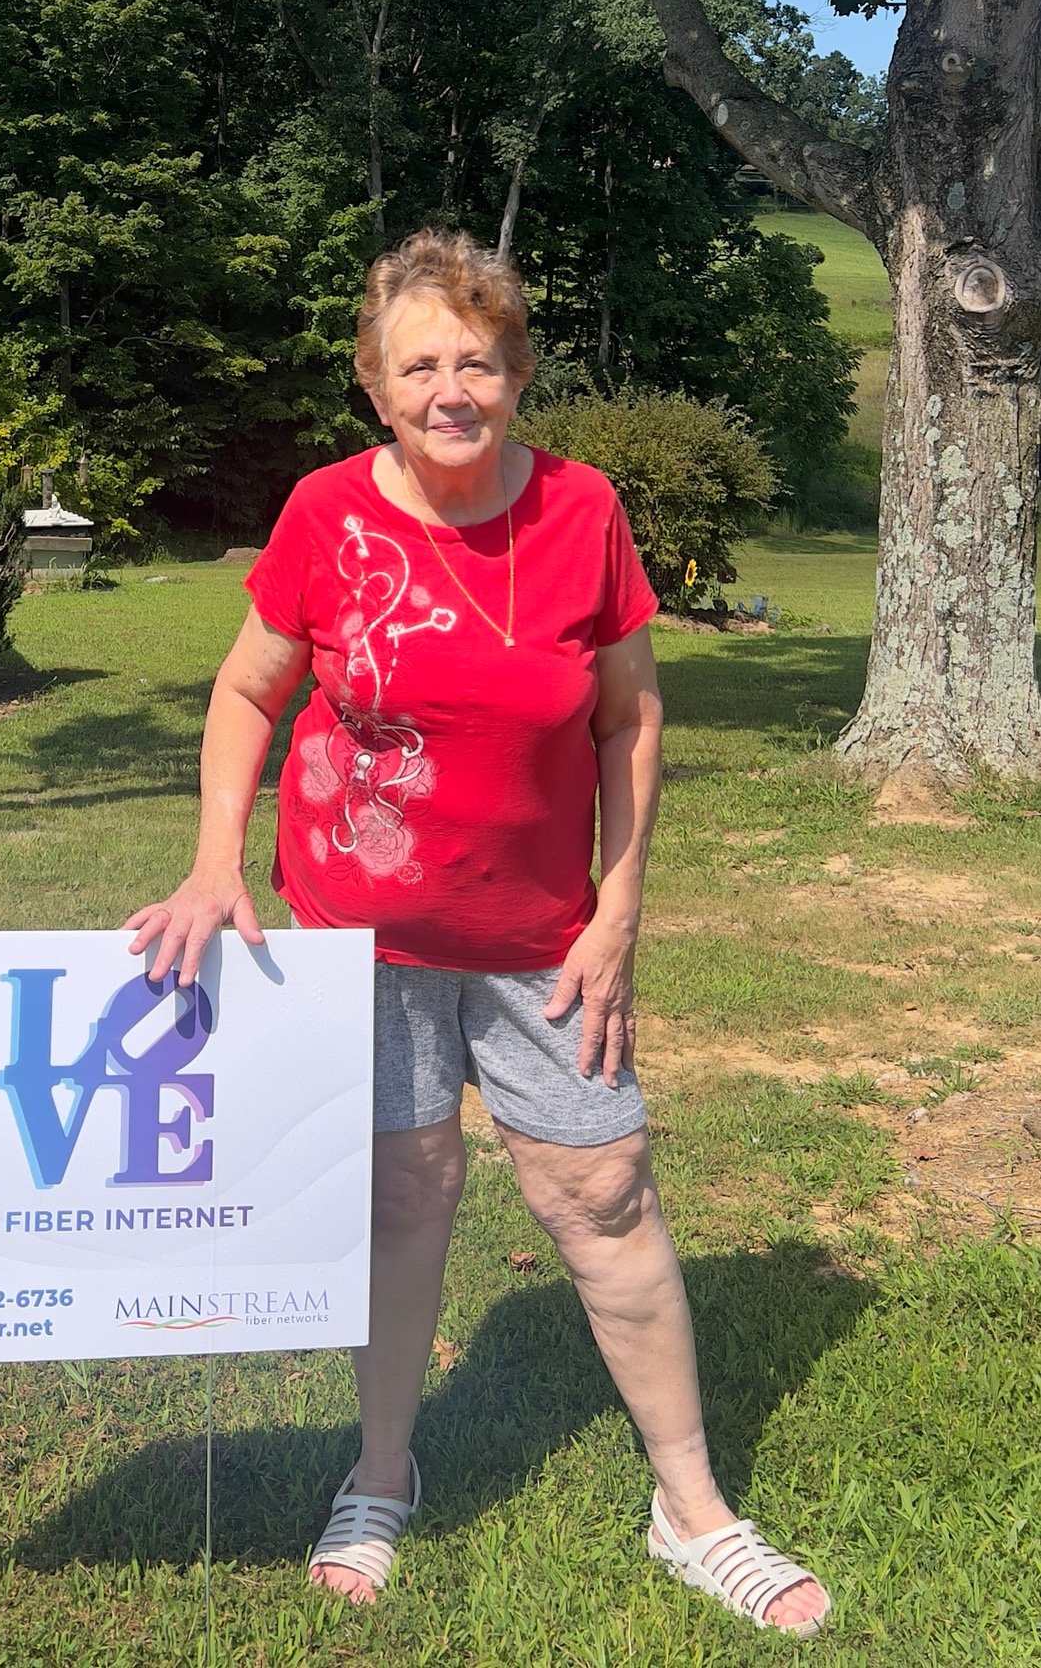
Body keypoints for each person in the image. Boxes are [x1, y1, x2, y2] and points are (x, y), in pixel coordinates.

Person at [128, 228, 830, 1635]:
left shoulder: (582, 512)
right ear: (376, 390)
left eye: (477, 359)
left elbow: (629, 715)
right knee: (402, 1199)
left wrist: (619, 908)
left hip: (540, 942)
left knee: (604, 1195)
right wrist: (214, 860)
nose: (451, 388)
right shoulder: (326, 514)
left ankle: (689, 1507)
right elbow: (246, 692)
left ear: (513, 370)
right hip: (356, 941)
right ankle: (380, 1473)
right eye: (419, 365)